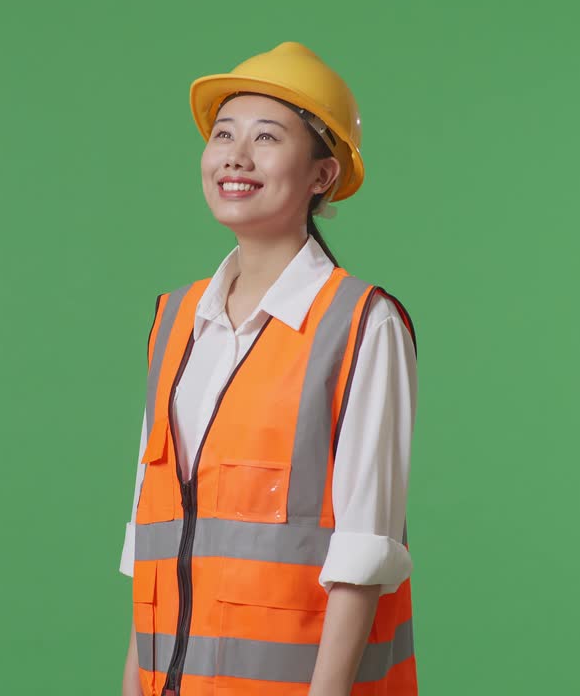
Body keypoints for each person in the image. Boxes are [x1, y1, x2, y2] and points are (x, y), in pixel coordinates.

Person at [119, 42, 419, 696]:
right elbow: (152, 544)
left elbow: (364, 554)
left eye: (266, 137)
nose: (235, 154)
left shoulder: (362, 324)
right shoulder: (174, 321)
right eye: (223, 134)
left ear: (322, 176)